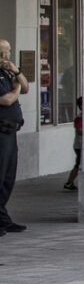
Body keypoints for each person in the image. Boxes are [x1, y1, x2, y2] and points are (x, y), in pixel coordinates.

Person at [0, 40, 22, 236]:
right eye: (1, 53)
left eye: (7, 53)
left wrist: (16, 71)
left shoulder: (7, 72)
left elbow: (25, 87)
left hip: (11, 131)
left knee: (8, 177)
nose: (4, 57)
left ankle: (3, 218)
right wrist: (15, 90)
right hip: (1, 131)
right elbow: (6, 100)